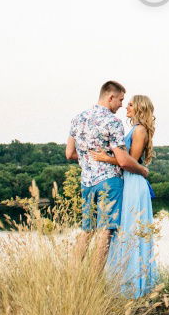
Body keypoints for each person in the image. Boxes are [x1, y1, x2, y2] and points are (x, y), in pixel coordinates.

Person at [65, 81, 149, 269]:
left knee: (87, 231)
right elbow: (124, 160)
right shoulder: (113, 122)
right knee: (105, 233)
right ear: (110, 97)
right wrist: (143, 170)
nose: (121, 105)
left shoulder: (78, 119)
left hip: (86, 182)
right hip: (109, 183)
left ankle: (70, 277)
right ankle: (95, 284)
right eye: (120, 100)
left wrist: (90, 158)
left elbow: (69, 153)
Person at [91, 94, 159, 297]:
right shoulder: (135, 129)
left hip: (134, 183)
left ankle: (134, 288)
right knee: (125, 231)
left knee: (131, 231)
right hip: (128, 181)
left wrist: (105, 158)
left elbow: (129, 161)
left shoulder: (139, 130)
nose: (126, 107)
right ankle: (124, 284)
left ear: (139, 108)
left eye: (130, 104)